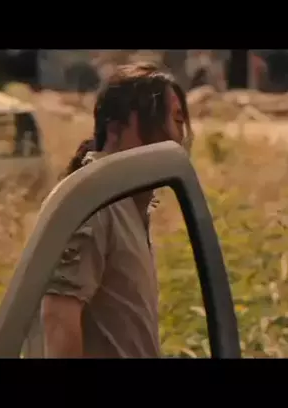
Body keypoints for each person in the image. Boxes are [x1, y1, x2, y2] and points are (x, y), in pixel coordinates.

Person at [41, 61, 193, 358]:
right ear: (118, 127)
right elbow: (58, 319)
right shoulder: (96, 202)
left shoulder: (126, 204)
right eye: (174, 120)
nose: (178, 138)